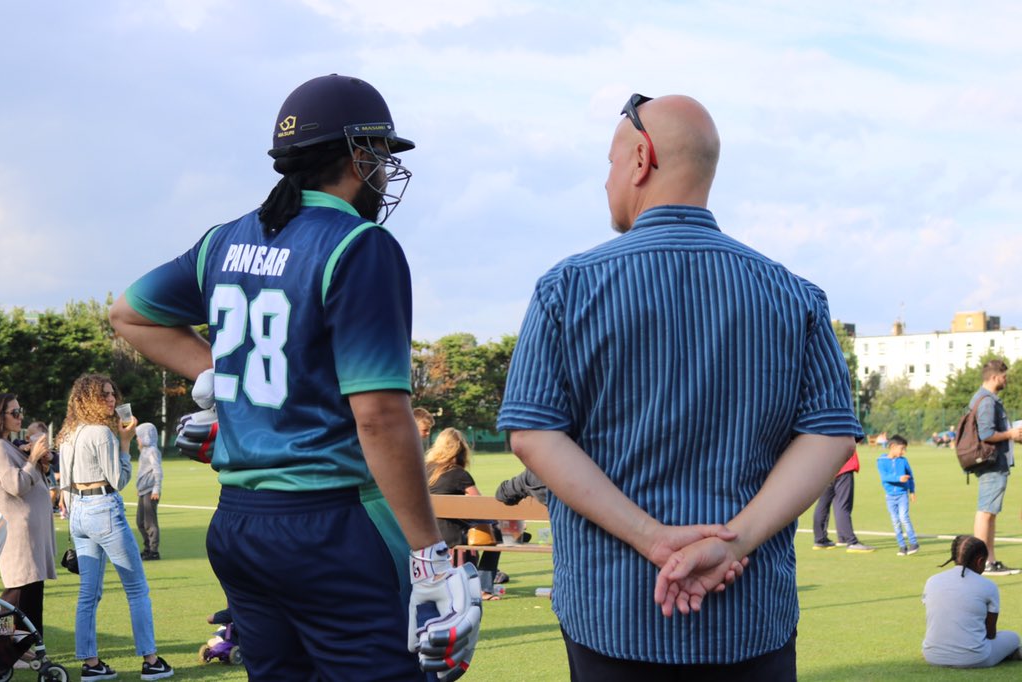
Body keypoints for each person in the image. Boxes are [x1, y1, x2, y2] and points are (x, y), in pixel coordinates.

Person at [108, 74, 480, 681]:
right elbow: (381, 416)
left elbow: (131, 313)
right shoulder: (361, 244)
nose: (386, 168)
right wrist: (430, 553)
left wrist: (227, 377)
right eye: (381, 153)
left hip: (237, 524)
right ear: (359, 153)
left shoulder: (224, 239)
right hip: (332, 525)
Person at [497, 93, 860, 679]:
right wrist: (735, 543)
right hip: (749, 616)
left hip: (611, 614)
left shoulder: (568, 288)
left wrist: (654, 540)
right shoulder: (795, 296)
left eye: (611, 163)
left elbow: (533, 434)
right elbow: (830, 437)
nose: (608, 180)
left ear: (641, 159)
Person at [56, 374, 174, 680]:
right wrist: (124, 443)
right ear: (88, 399)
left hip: (79, 512)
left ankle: (91, 664)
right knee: (137, 589)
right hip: (103, 509)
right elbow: (119, 480)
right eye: (104, 395)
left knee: (88, 593)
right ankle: (151, 661)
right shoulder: (100, 433)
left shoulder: (69, 431)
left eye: (112, 395)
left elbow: (65, 483)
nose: (112, 400)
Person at [0, 394, 56, 640]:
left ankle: (24, 647)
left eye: (20, 410)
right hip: (20, 535)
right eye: (14, 412)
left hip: (30, 533)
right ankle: (5, 647)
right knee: (16, 598)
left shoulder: (10, 444)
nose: (20, 415)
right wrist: (32, 459)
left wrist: (41, 462)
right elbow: (16, 484)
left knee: (29, 596)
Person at [426, 427, 503, 600]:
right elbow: (480, 504)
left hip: (427, 532)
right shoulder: (458, 473)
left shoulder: (424, 470)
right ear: (461, 449)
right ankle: (484, 588)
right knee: (496, 535)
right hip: (452, 535)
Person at [922, 534, 1022, 667]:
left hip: (932, 656)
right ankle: (1011, 653)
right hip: (975, 658)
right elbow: (990, 634)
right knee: (1013, 637)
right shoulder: (988, 585)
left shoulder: (932, 581)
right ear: (980, 561)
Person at [968, 358, 1022, 576]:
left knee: (990, 512)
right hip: (990, 462)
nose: (1006, 379)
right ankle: (982, 562)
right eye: (1004, 376)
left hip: (994, 461)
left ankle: (989, 559)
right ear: (994, 377)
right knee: (986, 511)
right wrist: (1010, 434)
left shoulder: (986, 399)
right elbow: (987, 434)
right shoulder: (987, 400)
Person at [812, 449, 874, 553]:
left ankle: (821, 539)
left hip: (824, 469)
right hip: (843, 468)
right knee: (842, 506)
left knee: (822, 505)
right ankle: (851, 542)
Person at [876, 435, 919, 556]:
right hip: (890, 497)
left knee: (904, 518)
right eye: (902, 449)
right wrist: (899, 478)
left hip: (902, 495)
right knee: (895, 521)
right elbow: (885, 477)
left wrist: (912, 491)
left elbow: (910, 477)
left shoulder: (903, 461)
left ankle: (914, 543)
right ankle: (902, 546)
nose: (904, 452)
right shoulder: (881, 461)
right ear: (892, 447)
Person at [134, 423, 163, 561]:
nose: (137, 440)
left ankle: (153, 550)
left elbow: (157, 470)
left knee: (150, 523)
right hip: (143, 490)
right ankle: (147, 547)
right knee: (140, 521)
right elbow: (143, 471)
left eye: (138, 436)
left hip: (151, 491)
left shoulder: (152, 451)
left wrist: (156, 488)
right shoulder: (144, 451)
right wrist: (139, 488)